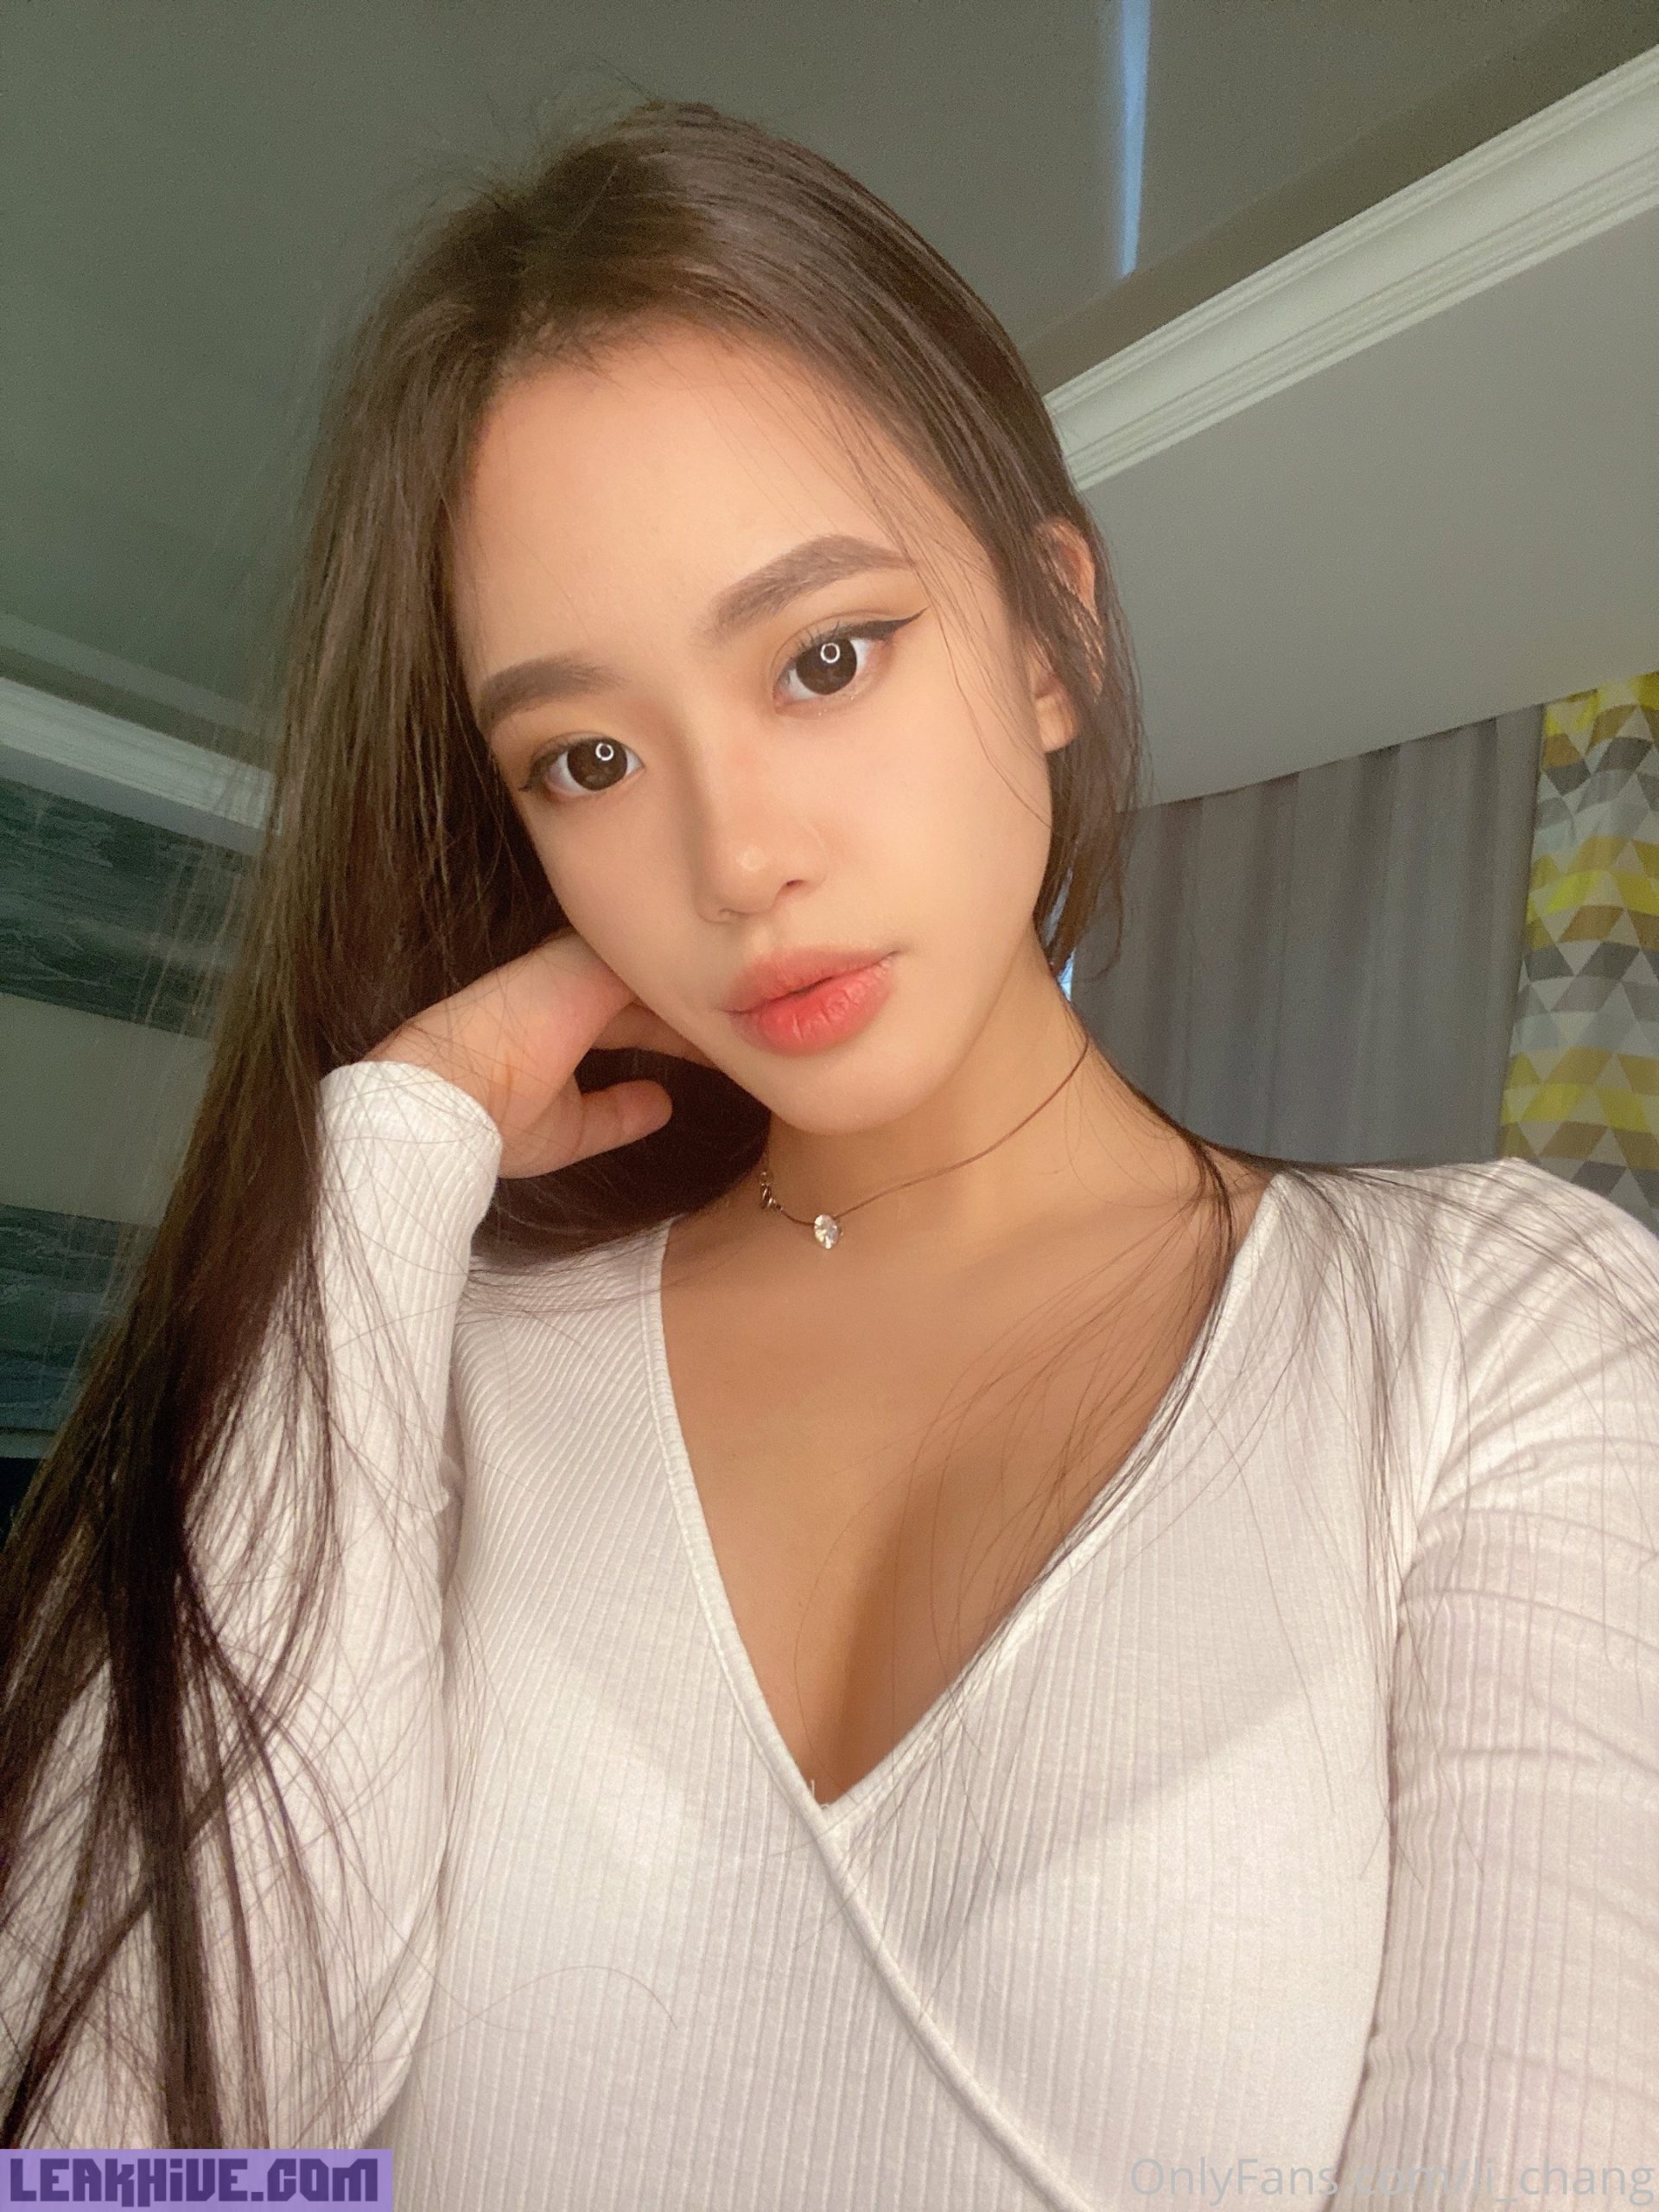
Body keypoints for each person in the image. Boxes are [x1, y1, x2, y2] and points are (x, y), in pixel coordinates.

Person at [3, 95, 1656, 2209]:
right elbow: (123, 2169)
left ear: (1052, 638)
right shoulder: (441, 1365)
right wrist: (394, 1158)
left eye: (824, 655)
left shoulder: (1491, 1332)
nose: (735, 855)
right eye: (590, 755)